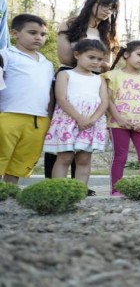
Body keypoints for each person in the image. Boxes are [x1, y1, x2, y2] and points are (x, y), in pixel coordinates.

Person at [44, 0, 120, 184]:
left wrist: (98, 63)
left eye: (111, 9)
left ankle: (79, 187)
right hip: (69, 78)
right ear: (92, 2)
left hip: (94, 84)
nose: (107, 11)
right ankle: (53, 185)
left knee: (84, 146)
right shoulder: (70, 24)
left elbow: (107, 64)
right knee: (62, 138)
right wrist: (88, 61)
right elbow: (65, 57)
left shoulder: (107, 32)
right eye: (104, 5)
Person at [44, 39, 109, 191]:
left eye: (99, 59)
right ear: (77, 55)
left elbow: (104, 101)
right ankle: (58, 191)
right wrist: (79, 118)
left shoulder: (99, 79)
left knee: (84, 159)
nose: (96, 62)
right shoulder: (65, 74)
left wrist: (91, 120)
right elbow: (61, 98)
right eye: (91, 57)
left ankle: (78, 192)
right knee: (65, 157)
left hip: (91, 123)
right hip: (68, 120)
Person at [0, 14, 54, 184]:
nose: (39, 37)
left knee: (21, 161)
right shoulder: (6, 55)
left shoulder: (47, 63)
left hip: (38, 119)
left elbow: (50, 93)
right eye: (32, 33)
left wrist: (50, 117)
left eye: (43, 34)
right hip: (9, 115)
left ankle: (9, 195)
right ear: (15, 33)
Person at [103, 41, 140, 196]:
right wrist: (119, 118)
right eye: (139, 54)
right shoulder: (112, 75)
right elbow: (108, 100)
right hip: (118, 124)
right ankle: (116, 190)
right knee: (120, 157)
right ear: (126, 55)